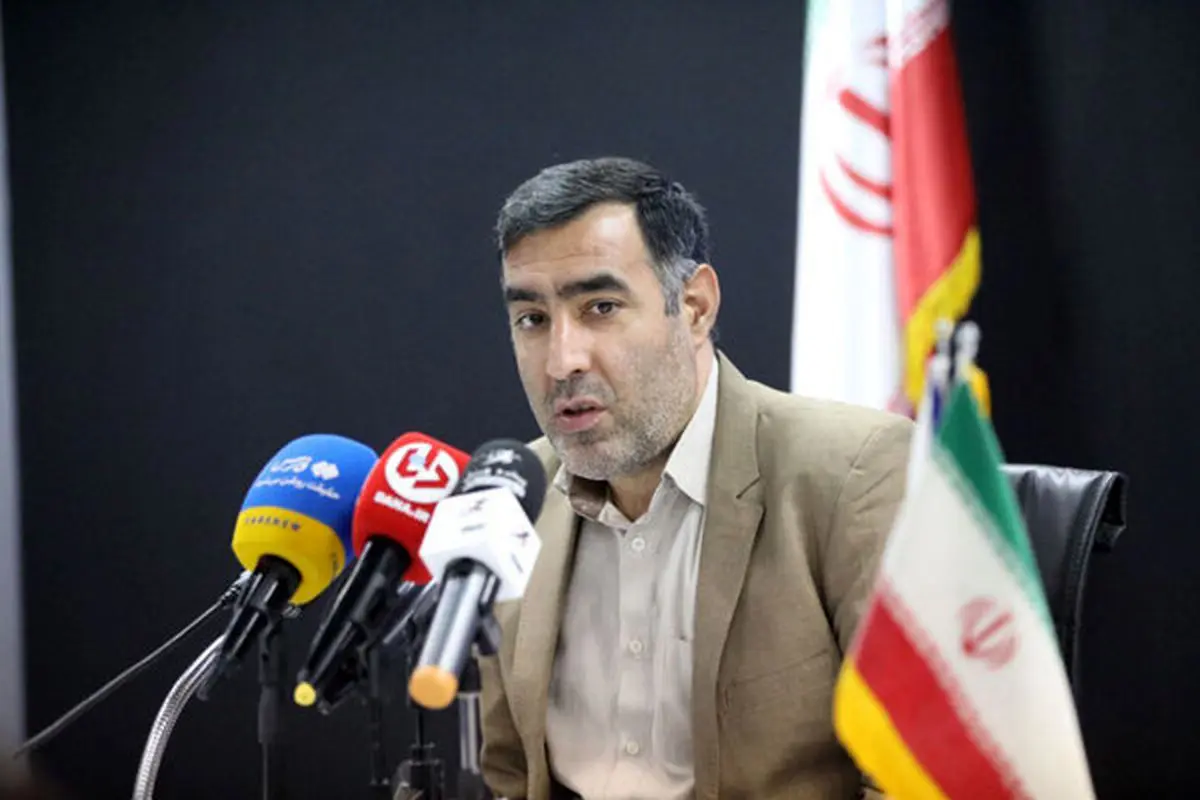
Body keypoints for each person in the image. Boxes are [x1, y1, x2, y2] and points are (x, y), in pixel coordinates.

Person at [478, 156, 912, 800]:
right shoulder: (513, 496)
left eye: (600, 307)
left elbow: (921, 780)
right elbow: (508, 776)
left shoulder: (854, 473)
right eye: (532, 320)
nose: (562, 361)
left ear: (695, 306)